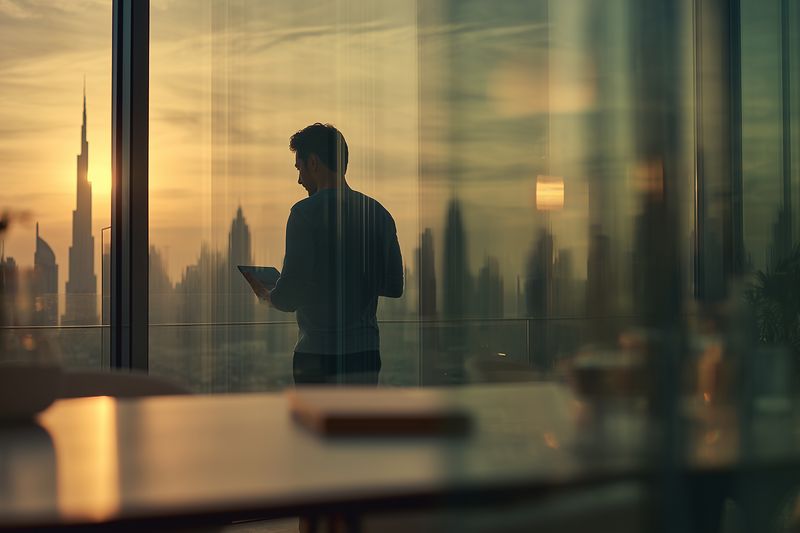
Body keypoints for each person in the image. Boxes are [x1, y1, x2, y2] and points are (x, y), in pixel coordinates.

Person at [258, 123, 403, 385]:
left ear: (313, 163)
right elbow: (394, 287)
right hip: (365, 354)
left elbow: (290, 297)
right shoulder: (378, 214)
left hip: (317, 356)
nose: (299, 180)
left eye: (299, 168)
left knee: (317, 413)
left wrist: (269, 296)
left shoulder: (304, 214)